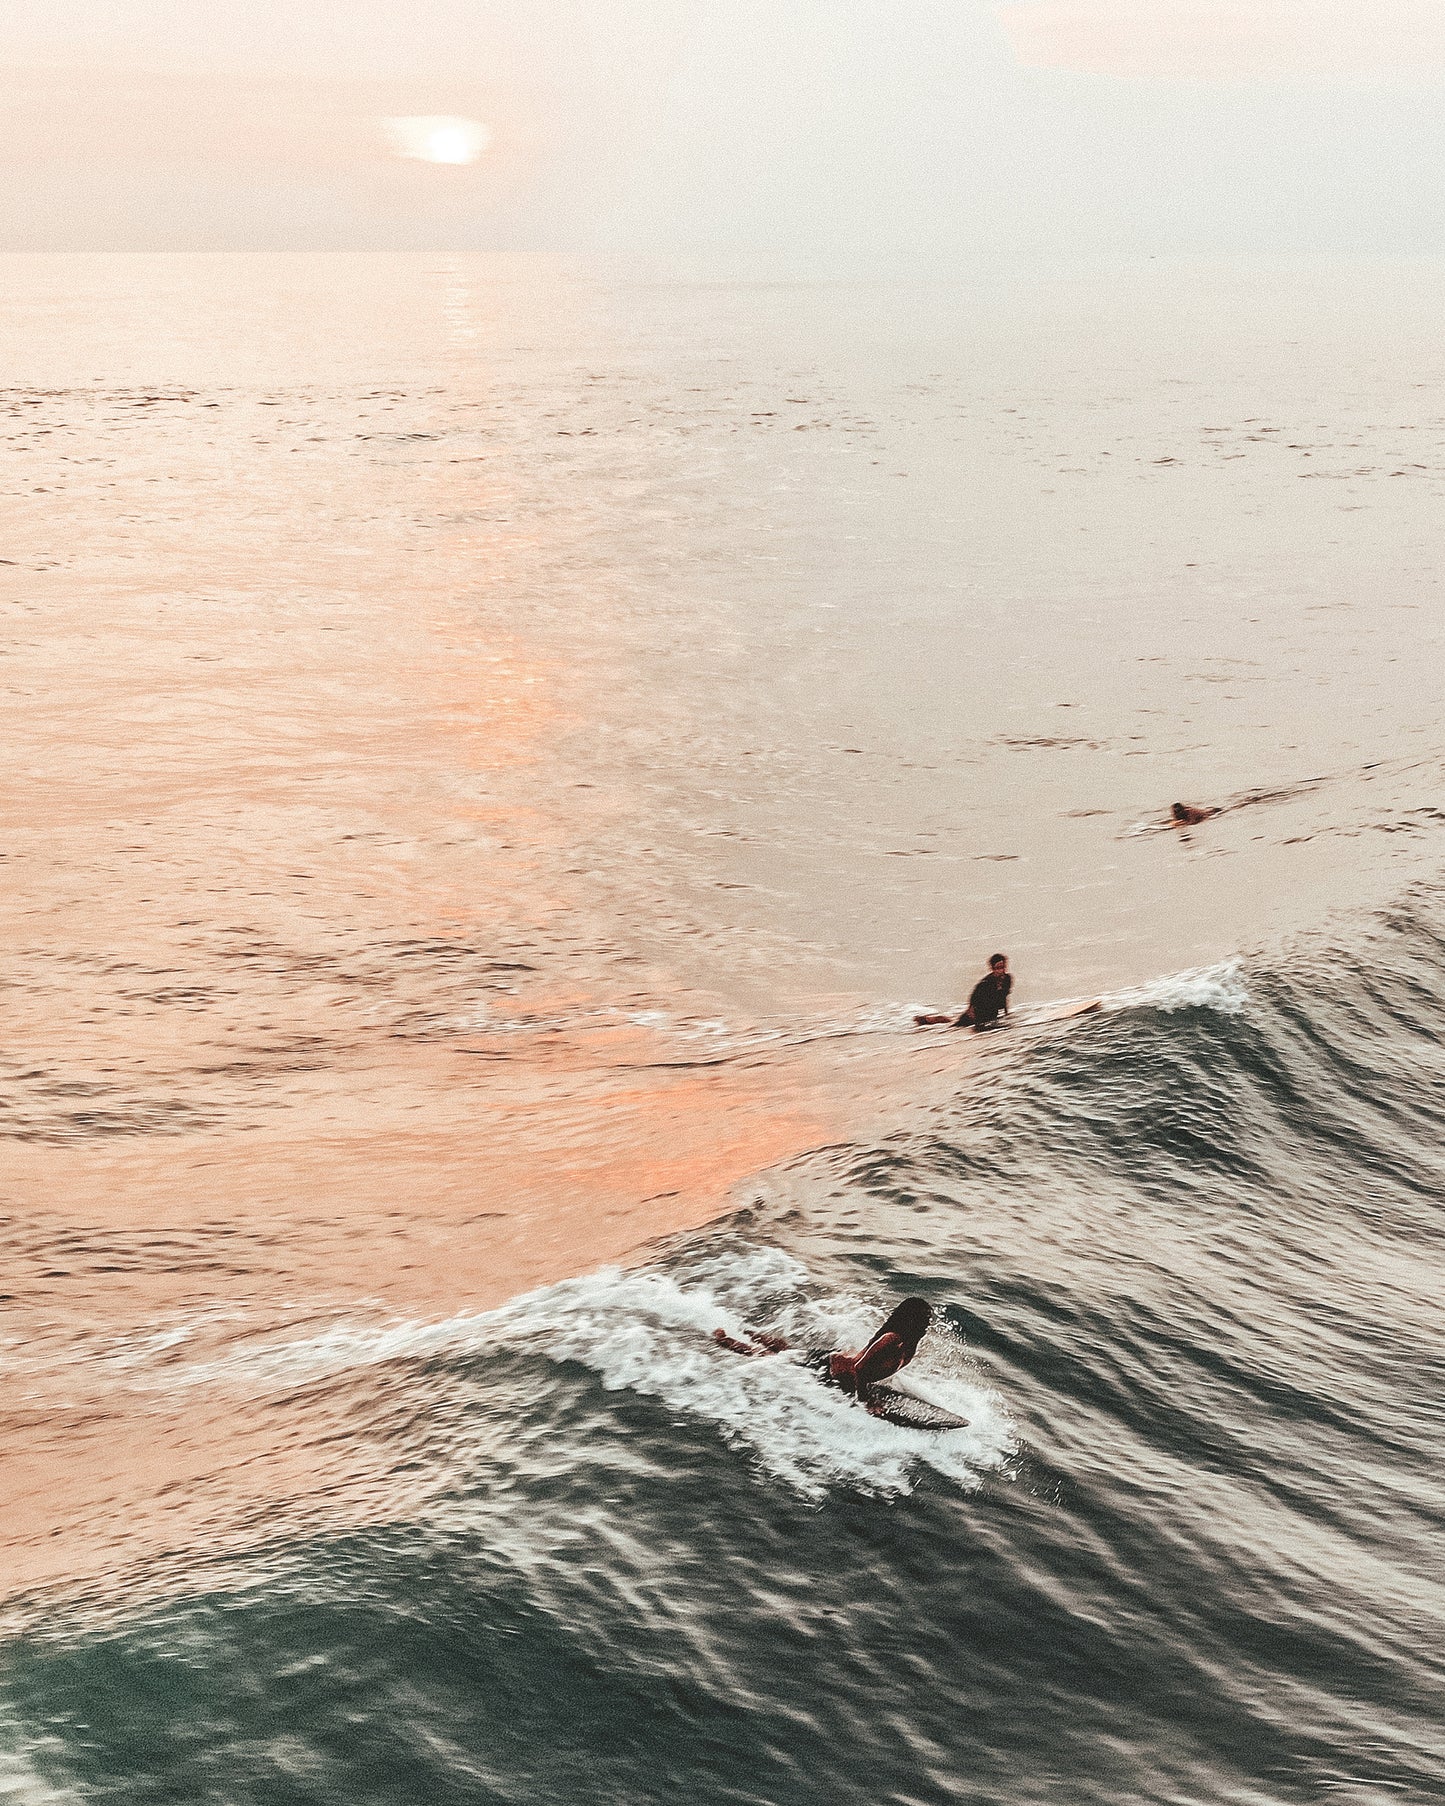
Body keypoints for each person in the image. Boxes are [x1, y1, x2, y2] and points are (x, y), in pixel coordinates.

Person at [712, 1297, 933, 1409]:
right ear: (910, 1320)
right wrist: (867, 1401)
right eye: (923, 1318)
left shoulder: (909, 1342)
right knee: (768, 1357)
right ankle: (723, 1338)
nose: (927, 1322)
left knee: (786, 1351)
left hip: (834, 1360)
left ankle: (747, 1330)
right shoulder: (892, 1340)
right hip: (828, 1369)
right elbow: (859, 1369)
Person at [915, 952, 1013, 1031]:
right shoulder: (985, 983)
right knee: (952, 1027)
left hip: (991, 1014)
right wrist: (972, 1013)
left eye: (1003, 967)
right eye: (998, 968)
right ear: (992, 968)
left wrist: (1006, 1014)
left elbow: (1005, 998)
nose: (1001, 970)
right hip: (977, 1014)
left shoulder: (1008, 979)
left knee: (952, 1022)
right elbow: (974, 997)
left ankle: (930, 1019)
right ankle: (926, 1020)